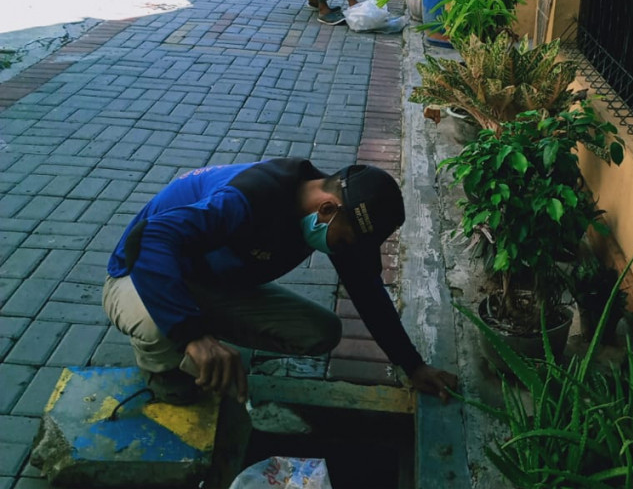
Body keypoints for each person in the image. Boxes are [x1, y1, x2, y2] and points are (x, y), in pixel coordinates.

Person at [103, 158, 458, 405]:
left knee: (321, 332)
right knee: (159, 331)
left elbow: (368, 291)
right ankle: (164, 364)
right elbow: (148, 239)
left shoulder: (343, 219)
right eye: (347, 241)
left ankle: (198, 330)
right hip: (141, 270)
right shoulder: (251, 198)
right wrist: (193, 336)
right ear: (327, 209)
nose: (349, 250)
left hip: (209, 282)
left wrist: (412, 365)